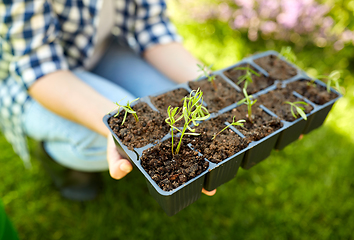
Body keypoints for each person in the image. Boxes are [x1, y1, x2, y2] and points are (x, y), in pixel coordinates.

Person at [0, 0, 216, 200]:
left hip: (97, 49)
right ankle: (54, 155)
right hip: (31, 78)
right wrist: (124, 128)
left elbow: (149, 25)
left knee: (177, 107)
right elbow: (37, 65)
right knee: (124, 133)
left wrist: (213, 86)